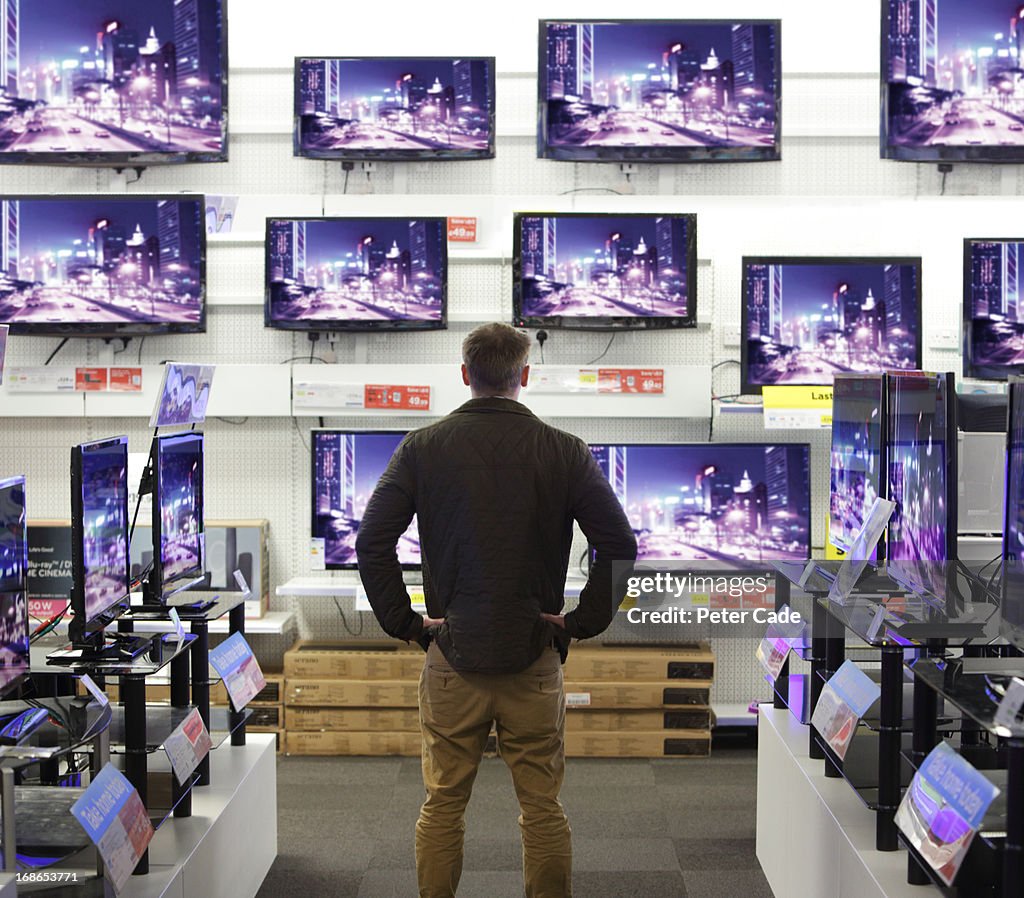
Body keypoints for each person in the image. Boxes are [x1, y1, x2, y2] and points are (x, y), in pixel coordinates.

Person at [355, 322, 637, 898]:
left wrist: (407, 625)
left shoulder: (423, 447)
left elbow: (371, 542)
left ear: (465, 375)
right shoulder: (565, 451)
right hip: (533, 655)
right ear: (524, 376)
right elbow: (619, 544)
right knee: (542, 808)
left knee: (442, 805)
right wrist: (580, 623)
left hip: (451, 656)